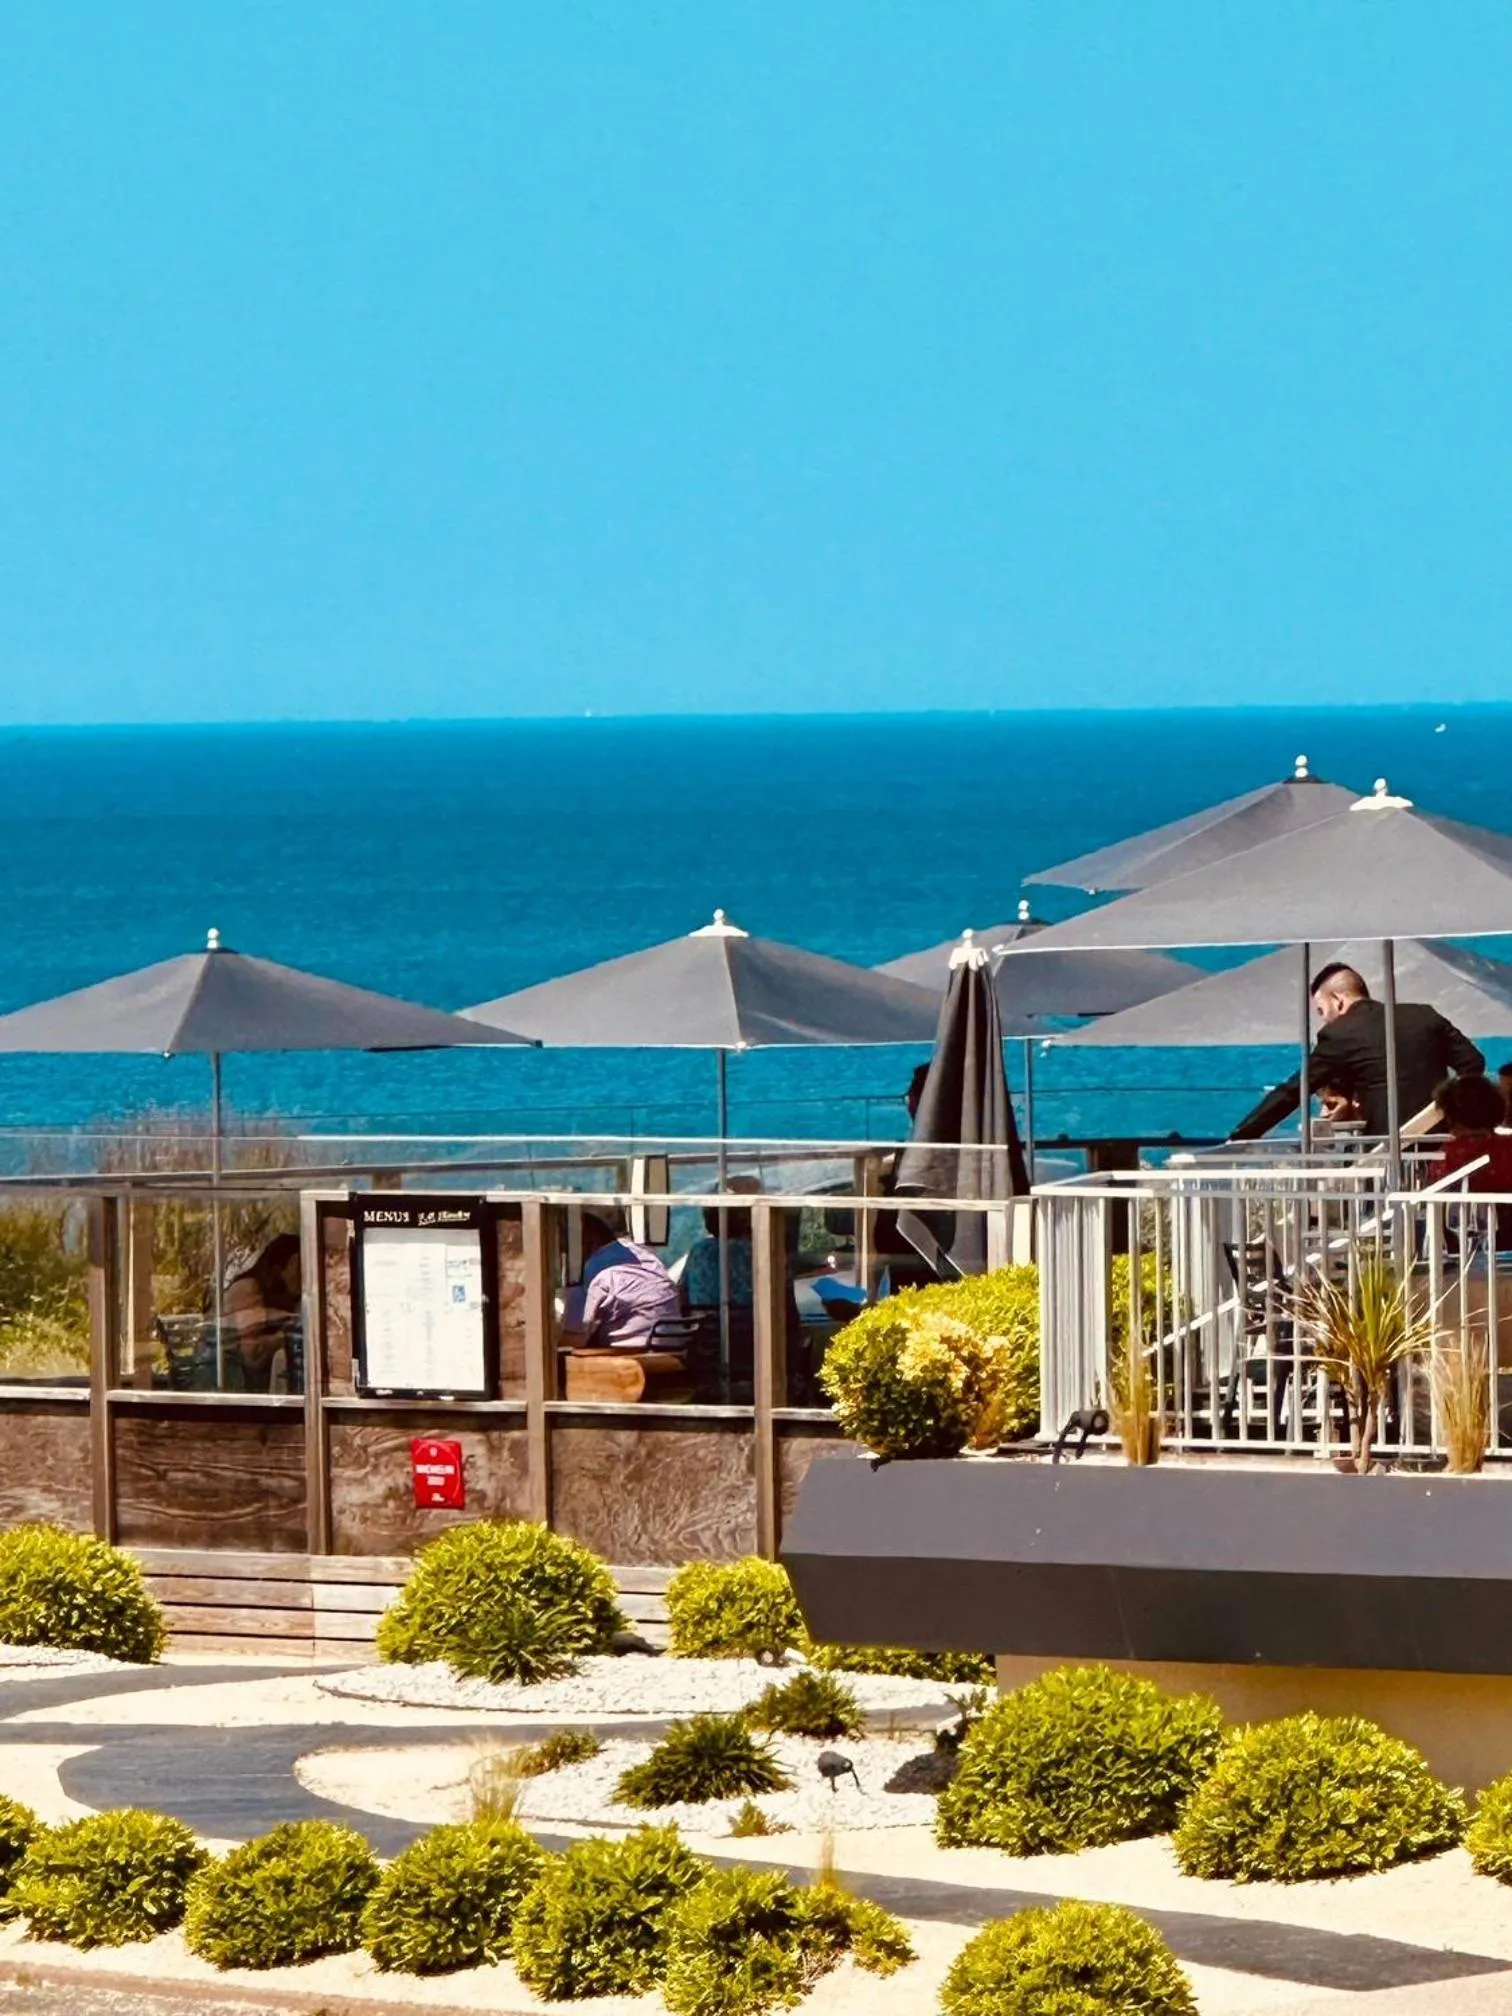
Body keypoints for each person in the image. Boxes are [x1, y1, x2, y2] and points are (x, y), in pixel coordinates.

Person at [1232, 962, 1485, 1141]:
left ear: (1339, 1000)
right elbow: (1473, 1063)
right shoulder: (1424, 1015)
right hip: (1442, 1143)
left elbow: (1293, 1091)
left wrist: (1243, 1134)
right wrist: (1442, 1111)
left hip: (1387, 1153)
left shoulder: (1339, 1034)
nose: (1324, 1020)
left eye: (1322, 1010)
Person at [559, 1211, 681, 1351]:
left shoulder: (593, 1269)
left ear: (585, 1243)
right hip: (673, 1349)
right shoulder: (643, 1254)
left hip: (631, 1357)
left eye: (567, 1249)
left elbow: (574, 1339)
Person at [222, 1232, 301, 1393]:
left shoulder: (285, 1298)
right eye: (298, 1267)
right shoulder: (248, 1289)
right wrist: (287, 1336)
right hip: (242, 1389)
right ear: (278, 1269)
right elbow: (252, 1355)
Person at [681, 1174, 758, 1310]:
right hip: (753, 1329)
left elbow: (683, 1299)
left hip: (704, 1328)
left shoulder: (699, 1251)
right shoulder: (758, 1252)